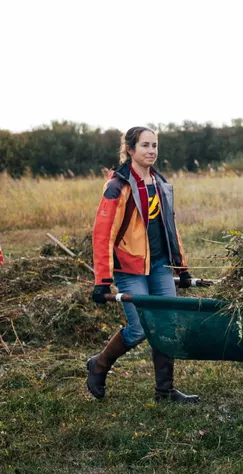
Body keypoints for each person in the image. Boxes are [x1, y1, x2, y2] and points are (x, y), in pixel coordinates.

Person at [86, 126, 199, 403]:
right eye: (145, 146)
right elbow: (102, 235)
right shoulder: (118, 186)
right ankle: (99, 366)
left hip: (160, 265)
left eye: (155, 146)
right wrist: (102, 280)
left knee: (167, 325)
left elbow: (170, 227)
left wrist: (181, 268)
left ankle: (165, 391)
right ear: (130, 150)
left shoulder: (160, 183)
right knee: (138, 329)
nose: (151, 151)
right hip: (129, 266)